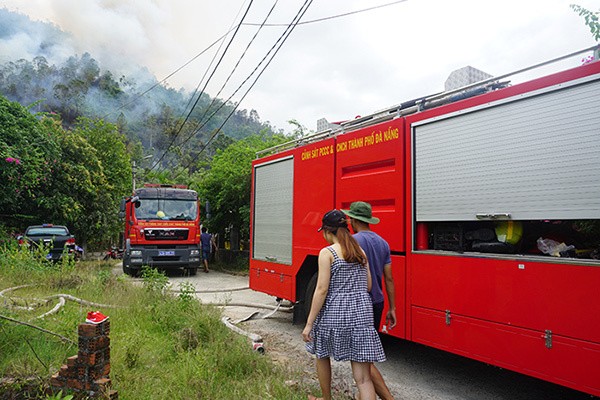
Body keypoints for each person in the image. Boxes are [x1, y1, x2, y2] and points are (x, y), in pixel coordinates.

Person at [302, 209, 386, 400]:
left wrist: (309, 324)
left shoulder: (327, 253)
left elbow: (321, 289)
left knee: (322, 354)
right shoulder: (360, 251)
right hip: (362, 314)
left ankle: (326, 398)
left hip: (336, 312)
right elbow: (369, 285)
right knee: (363, 379)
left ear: (327, 231)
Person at [342, 201, 396, 400]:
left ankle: (387, 398)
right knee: (365, 354)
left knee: (362, 358)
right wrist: (393, 308)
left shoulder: (351, 242)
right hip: (378, 303)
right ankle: (361, 394)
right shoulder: (383, 243)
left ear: (354, 220)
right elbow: (388, 278)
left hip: (359, 304)